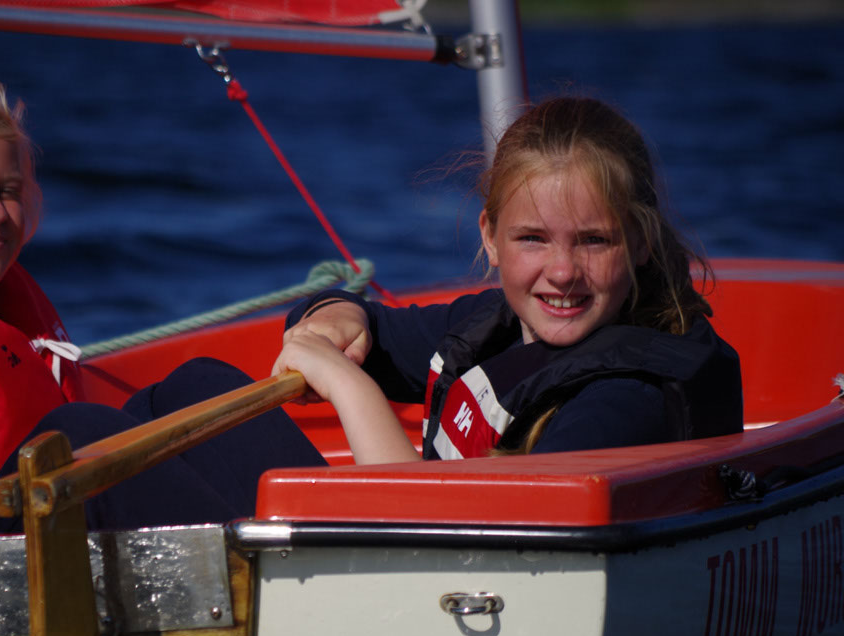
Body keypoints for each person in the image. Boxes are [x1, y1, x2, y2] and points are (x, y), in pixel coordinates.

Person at [0, 84, 325, 541]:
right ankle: (266, 574)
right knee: (79, 432)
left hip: (55, 540)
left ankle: (325, 535)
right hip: (11, 589)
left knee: (195, 386)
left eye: (8, 190)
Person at [273, 97, 743, 462]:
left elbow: (430, 539)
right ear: (491, 238)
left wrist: (349, 389)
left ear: (641, 243)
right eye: (533, 239)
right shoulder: (493, 328)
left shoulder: (625, 405)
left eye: (594, 241)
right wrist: (335, 316)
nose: (562, 272)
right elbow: (357, 325)